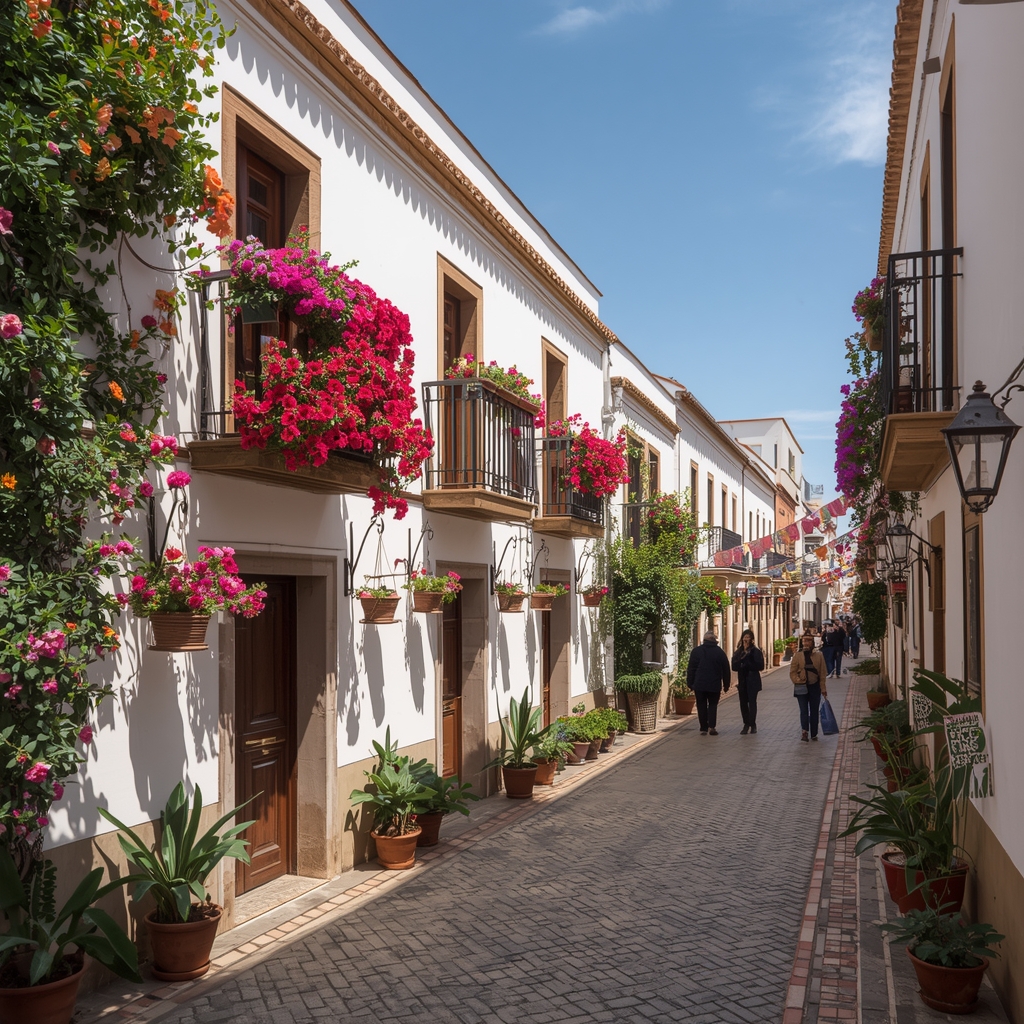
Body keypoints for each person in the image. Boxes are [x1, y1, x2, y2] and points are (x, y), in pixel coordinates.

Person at [687, 629, 731, 735]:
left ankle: (703, 728)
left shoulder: (696, 651)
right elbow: (726, 669)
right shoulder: (720, 652)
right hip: (714, 684)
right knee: (713, 705)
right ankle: (712, 727)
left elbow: (691, 668)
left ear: (704, 640)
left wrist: (690, 683)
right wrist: (726, 684)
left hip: (699, 684)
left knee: (701, 705)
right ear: (714, 641)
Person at [790, 634, 828, 741]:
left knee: (814, 710)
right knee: (804, 710)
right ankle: (804, 731)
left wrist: (823, 688)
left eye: (808, 641)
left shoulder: (819, 655)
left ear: (812, 643)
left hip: (814, 686)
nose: (806, 643)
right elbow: (792, 672)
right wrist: (797, 680)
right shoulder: (798, 655)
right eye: (804, 641)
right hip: (801, 687)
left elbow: (822, 673)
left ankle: (814, 733)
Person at [731, 629, 764, 735]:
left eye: (748, 637)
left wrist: (747, 663)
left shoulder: (756, 651)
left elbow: (760, 666)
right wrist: (740, 661)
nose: (746, 639)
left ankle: (752, 724)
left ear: (752, 639)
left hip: (753, 680)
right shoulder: (738, 652)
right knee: (743, 704)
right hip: (743, 681)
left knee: (752, 703)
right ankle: (746, 724)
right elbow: (734, 666)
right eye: (745, 636)